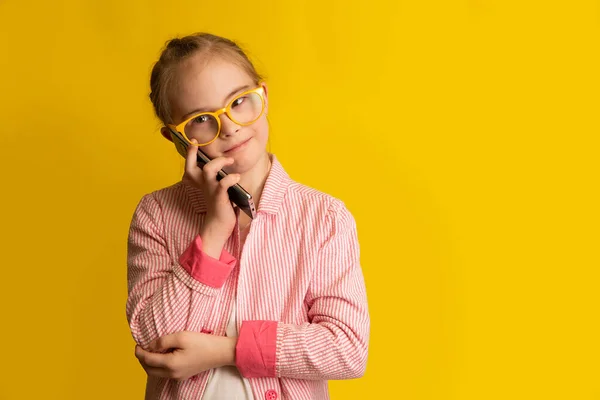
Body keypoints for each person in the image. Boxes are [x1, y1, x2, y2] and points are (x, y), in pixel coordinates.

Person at [126, 32, 370, 400]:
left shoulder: (324, 218)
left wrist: (228, 351)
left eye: (239, 102)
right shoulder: (156, 214)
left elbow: (347, 348)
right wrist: (213, 231)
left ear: (264, 97)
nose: (229, 127)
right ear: (175, 139)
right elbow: (152, 337)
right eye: (201, 119)